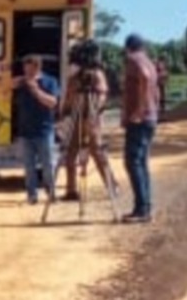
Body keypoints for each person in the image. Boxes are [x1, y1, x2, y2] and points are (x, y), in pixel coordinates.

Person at [60, 40, 116, 201]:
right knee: (70, 153)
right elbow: (70, 96)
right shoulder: (74, 77)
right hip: (76, 117)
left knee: (97, 152)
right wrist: (64, 112)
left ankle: (112, 185)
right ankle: (71, 190)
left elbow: (102, 94)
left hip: (90, 118)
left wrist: (94, 112)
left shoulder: (97, 74)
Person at [12, 54, 60, 205]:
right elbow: (3, 91)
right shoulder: (22, 83)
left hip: (44, 130)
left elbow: (53, 103)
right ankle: (32, 195)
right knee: (29, 166)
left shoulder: (50, 81)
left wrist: (36, 90)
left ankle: (51, 192)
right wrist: (15, 83)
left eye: (30, 70)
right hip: (25, 131)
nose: (27, 73)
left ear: (38, 68)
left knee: (47, 165)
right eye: (25, 70)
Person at [122, 33, 160, 223]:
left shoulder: (134, 59)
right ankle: (144, 207)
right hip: (149, 119)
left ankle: (142, 209)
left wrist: (138, 110)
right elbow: (155, 89)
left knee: (133, 162)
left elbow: (143, 78)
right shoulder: (150, 62)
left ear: (128, 47)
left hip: (140, 120)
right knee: (141, 162)